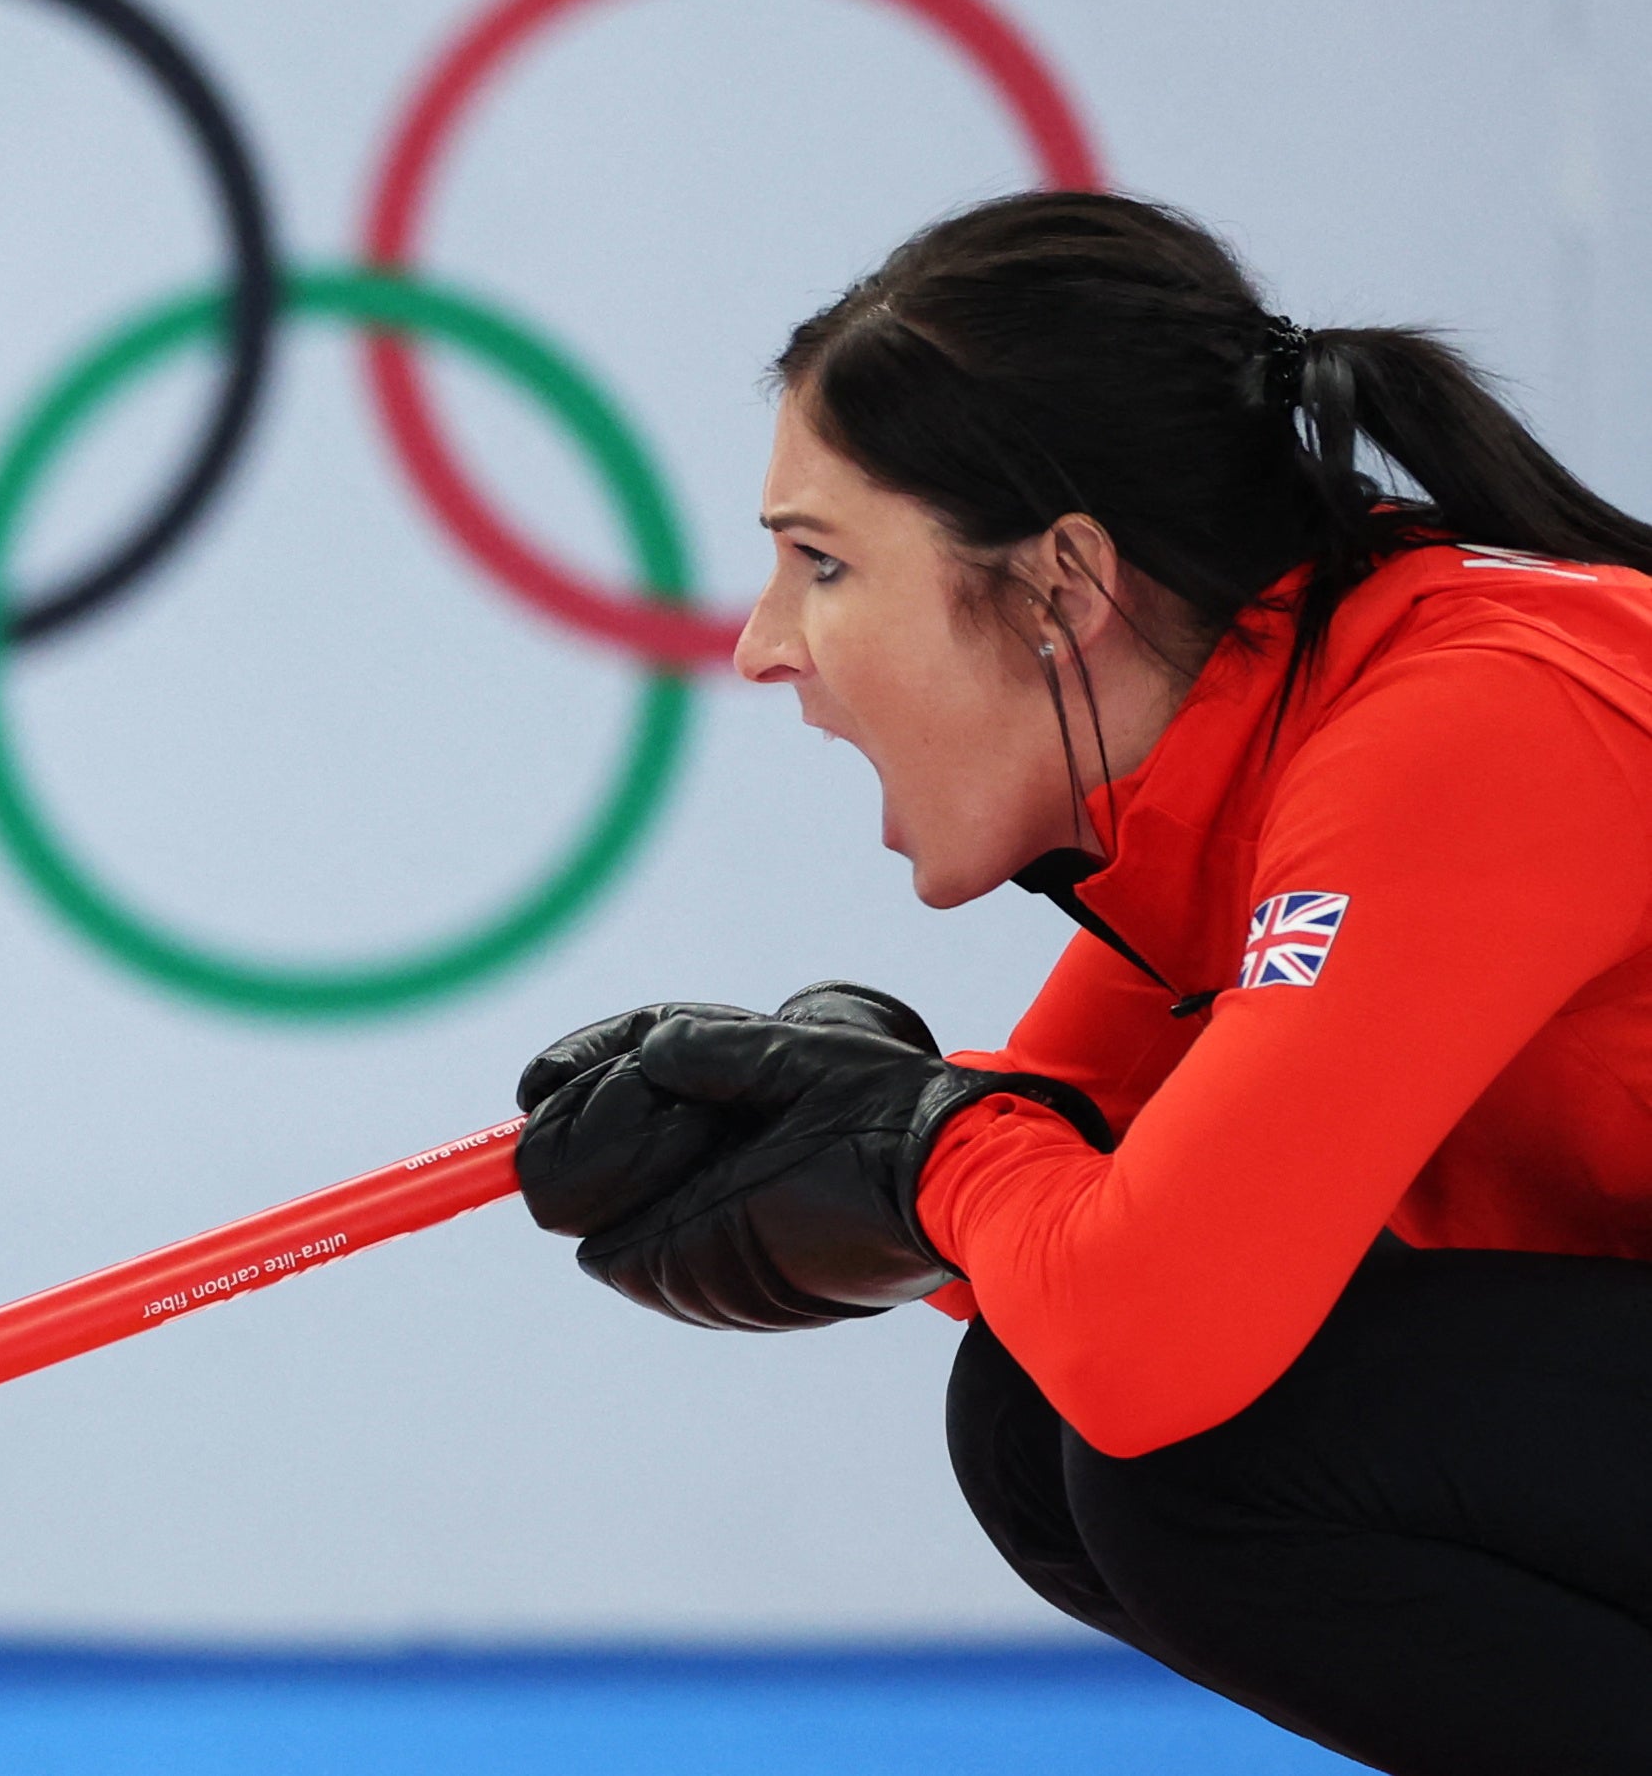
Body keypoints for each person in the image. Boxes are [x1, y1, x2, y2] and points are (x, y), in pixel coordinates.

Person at [513, 193, 1652, 1774]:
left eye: (821, 563)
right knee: (1031, 1425)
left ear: (1061, 589)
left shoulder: (1466, 723)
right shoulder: (1272, 732)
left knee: (1194, 1446)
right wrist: (844, 1141)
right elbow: (1051, 1243)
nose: (763, 645)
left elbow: (1149, 1324)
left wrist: (917, 1147)